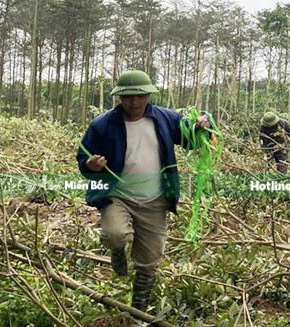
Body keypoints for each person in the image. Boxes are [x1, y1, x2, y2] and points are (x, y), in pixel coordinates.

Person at [76, 69, 212, 312]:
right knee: (115, 234)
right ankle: (117, 250)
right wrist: (91, 165)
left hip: (155, 199)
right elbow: (83, 159)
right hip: (118, 195)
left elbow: (191, 139)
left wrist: (202, 126)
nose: (134, 102)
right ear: (119, 97)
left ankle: (138, 310)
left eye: (140, 96)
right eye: (128, 97)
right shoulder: (102, 125)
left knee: (149, 261)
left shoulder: (165, 118)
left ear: (149, 95)